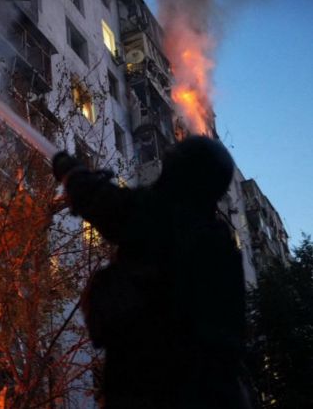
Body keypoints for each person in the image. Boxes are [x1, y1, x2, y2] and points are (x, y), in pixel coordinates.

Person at [53, 136, 250, 408]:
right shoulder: (220, 247)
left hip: (152, 385)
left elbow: (109, 206)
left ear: (177, 172)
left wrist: (71, 172)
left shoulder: (168, 220)